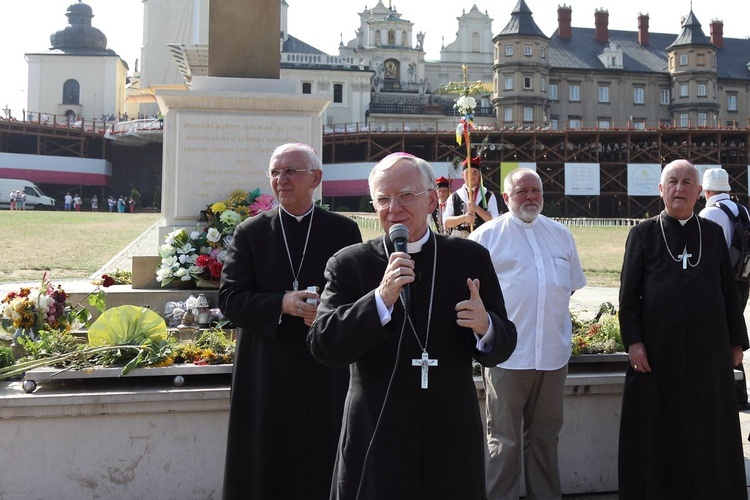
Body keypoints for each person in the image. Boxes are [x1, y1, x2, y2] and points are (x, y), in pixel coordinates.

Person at [307, 152, 517, 499]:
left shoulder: (469, 258)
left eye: (406, 195)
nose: (394, 208)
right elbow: (323, 344)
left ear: (432, 199)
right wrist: (381, 299)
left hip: (450, 428)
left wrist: (486, 326)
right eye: (383, 199)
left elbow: (505, 344)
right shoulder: (350, 264)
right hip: (377, 428)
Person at [218, 143, 362, 500]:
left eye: (291, 171)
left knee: (324, 454)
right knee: (266, 460)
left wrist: (326, 311)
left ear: (315, 178)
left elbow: (358, 297)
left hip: (324, 366)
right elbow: (230, 299)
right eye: (275, 172)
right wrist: (281, 303)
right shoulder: (250, 233)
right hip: (267, 367)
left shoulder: (343, 231)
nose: (281, 180)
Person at [618, 159, 748, 499]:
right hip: (659, 354)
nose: (680, 188)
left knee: (709, 430)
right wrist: (633, 342)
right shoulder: (643, 233)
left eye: (688, 182)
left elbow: (728, 291)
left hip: (708, 352)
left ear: (699, 192)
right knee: (662, 430)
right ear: (661, 190)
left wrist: (737, 342)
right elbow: (629, 296)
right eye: (673, 181)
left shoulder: (713, 233)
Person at [469, 167, 586, 500]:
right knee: (503, 441)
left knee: (546, 439)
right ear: (506, 198)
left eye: (536, 191)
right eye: (522, 191)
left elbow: (570, 289)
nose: (530, 197)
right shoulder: (486, 237)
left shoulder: (561, 235)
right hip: (508, 359)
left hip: (552, 357)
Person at [699, 167, 750, 410]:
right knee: (734, 335)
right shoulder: (743, 210)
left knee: (718, 335)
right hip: (743, 281)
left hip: (721, 284)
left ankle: (723, 394)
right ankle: (739, 394)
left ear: (706, 190)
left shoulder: (709, 213)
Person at [443, 156, 499, 237]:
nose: (472, 176)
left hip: (482, 238)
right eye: (468, 172)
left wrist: (476, 209)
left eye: (475, 172)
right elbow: (446, 222)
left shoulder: (488, 195)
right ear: (462, 175)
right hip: (460, 240)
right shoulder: (455, 196)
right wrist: (464, 218)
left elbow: (495, 221)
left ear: (479, 174)